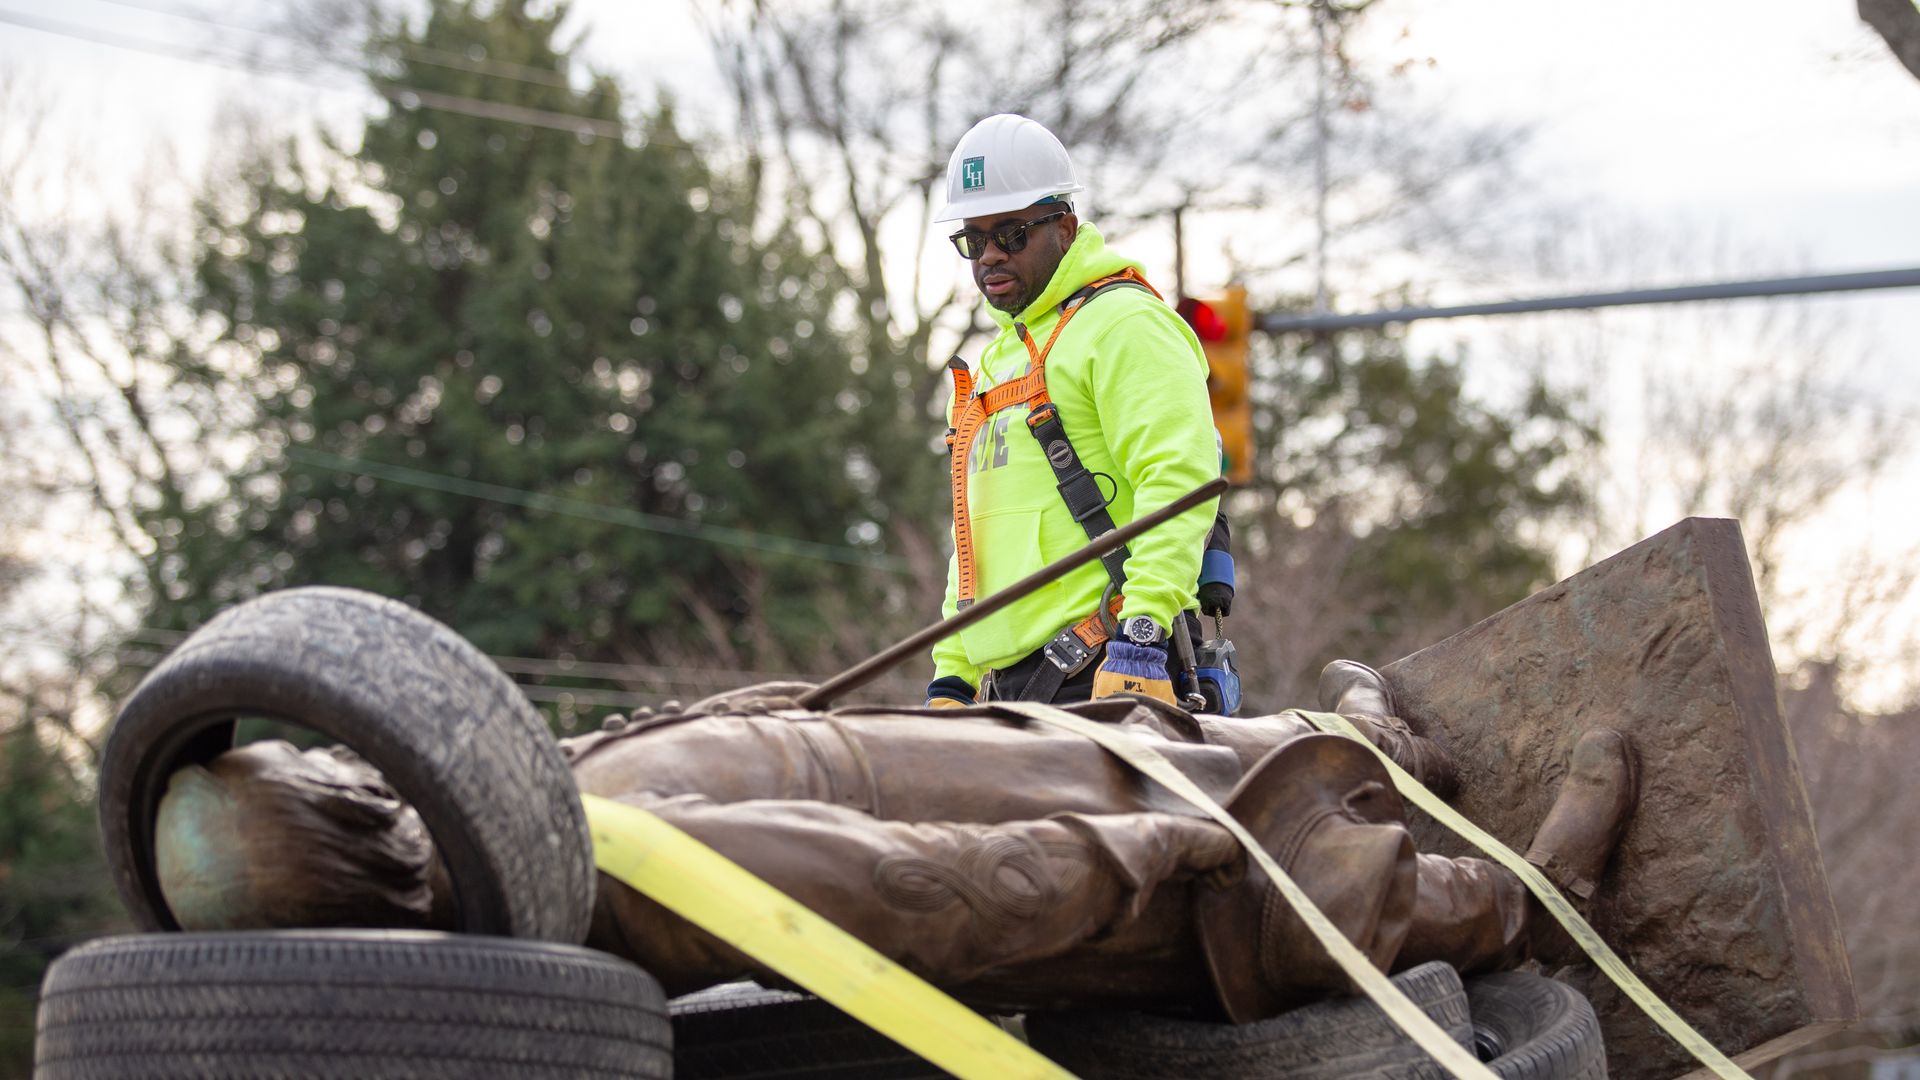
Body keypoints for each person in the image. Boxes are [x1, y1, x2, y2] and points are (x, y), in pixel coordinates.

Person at [150, 662, 1637, 1019]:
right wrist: (1103, 869)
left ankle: (1375, 753)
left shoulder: (500, 786)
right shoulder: (573, 882)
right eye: (313, 772)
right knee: (1290, 878)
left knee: (1161, 747)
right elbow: (888, 896)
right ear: (342, 827)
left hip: (937, 758)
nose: (340, 750)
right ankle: (1529, 904)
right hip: (1051, 858)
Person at [924, 114, 1222, 710]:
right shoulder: (1000, 360)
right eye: (973, 241)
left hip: (1105, 666)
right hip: (1004, 691)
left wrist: (1142, 633)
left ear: (1064, 225)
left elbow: (1181, 482)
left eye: (1009, 234)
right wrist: (953, 674)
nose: (989, 257)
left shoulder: (1125, 326)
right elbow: (977, 534)